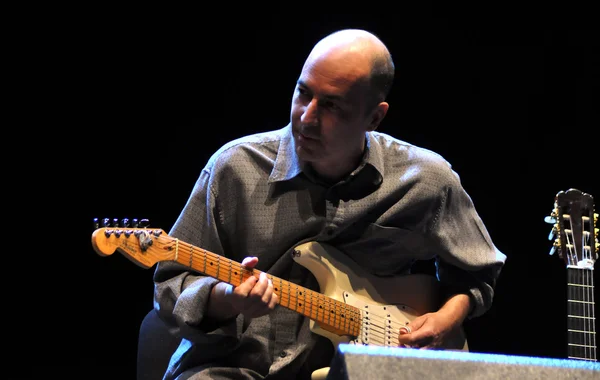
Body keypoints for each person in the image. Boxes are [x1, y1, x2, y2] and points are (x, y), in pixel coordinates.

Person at [152, 28, 507, 380]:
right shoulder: (235, 168)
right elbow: (170, 283)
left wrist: (448, 318)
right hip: (234, 368)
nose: (306, 117)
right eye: (302, 93)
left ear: (375, 117)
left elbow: (477, 272)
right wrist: (228, 298)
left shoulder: (425, 180)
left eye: (332, 106)